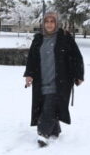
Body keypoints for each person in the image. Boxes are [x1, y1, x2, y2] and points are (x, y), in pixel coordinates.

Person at [23, 11, 84, 146]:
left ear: (56, 23)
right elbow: (32, 59)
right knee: (44, 104)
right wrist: (29, 74)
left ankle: (43, 133)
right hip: (41, 79)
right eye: (47, 21)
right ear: (43, 23)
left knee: (50, 105)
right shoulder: (38, 38)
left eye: (52, 21)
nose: (49, 24)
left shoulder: (64, 37)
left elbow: (76, 57)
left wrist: (79, 75)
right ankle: (55, 130)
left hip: (60, 80)